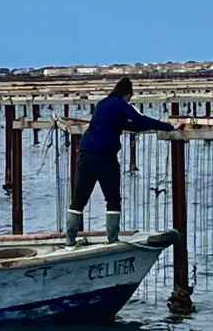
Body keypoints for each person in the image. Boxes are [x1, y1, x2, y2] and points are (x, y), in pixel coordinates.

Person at [66, 77, 176, 247]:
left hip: (85, 153)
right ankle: (112, 239)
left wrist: (150, 126)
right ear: (128, 94)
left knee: (79, 198)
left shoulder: (102, 104)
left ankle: (70, 240)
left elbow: (127, 125)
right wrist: (168, 126)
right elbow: (139, 120)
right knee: (112, 198)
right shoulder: (120, 104)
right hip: (104, 156)